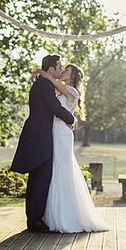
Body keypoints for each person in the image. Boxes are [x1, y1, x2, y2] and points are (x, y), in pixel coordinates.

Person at [36, 64, 108, 233]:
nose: (63, 72)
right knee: (54, 170)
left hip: (62, 134)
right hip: (53, 131)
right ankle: (53, 213)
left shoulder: (72, 91)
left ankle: (66, 216)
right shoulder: (59, 90)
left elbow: (53, 83)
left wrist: (42, 73)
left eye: (66, 70)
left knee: (62, 168)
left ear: (73, 75)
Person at [10, 54, 77, 232]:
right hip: (39, 136)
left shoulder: (44, 83)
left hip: (39, 135)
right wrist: (71, 119)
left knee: (37, 178)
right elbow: (55, 107)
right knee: (41, 178)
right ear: (51, 69)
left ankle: (33, 219)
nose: (62, 69)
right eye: (60, 67)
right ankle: (35, 220)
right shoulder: (44, 85)